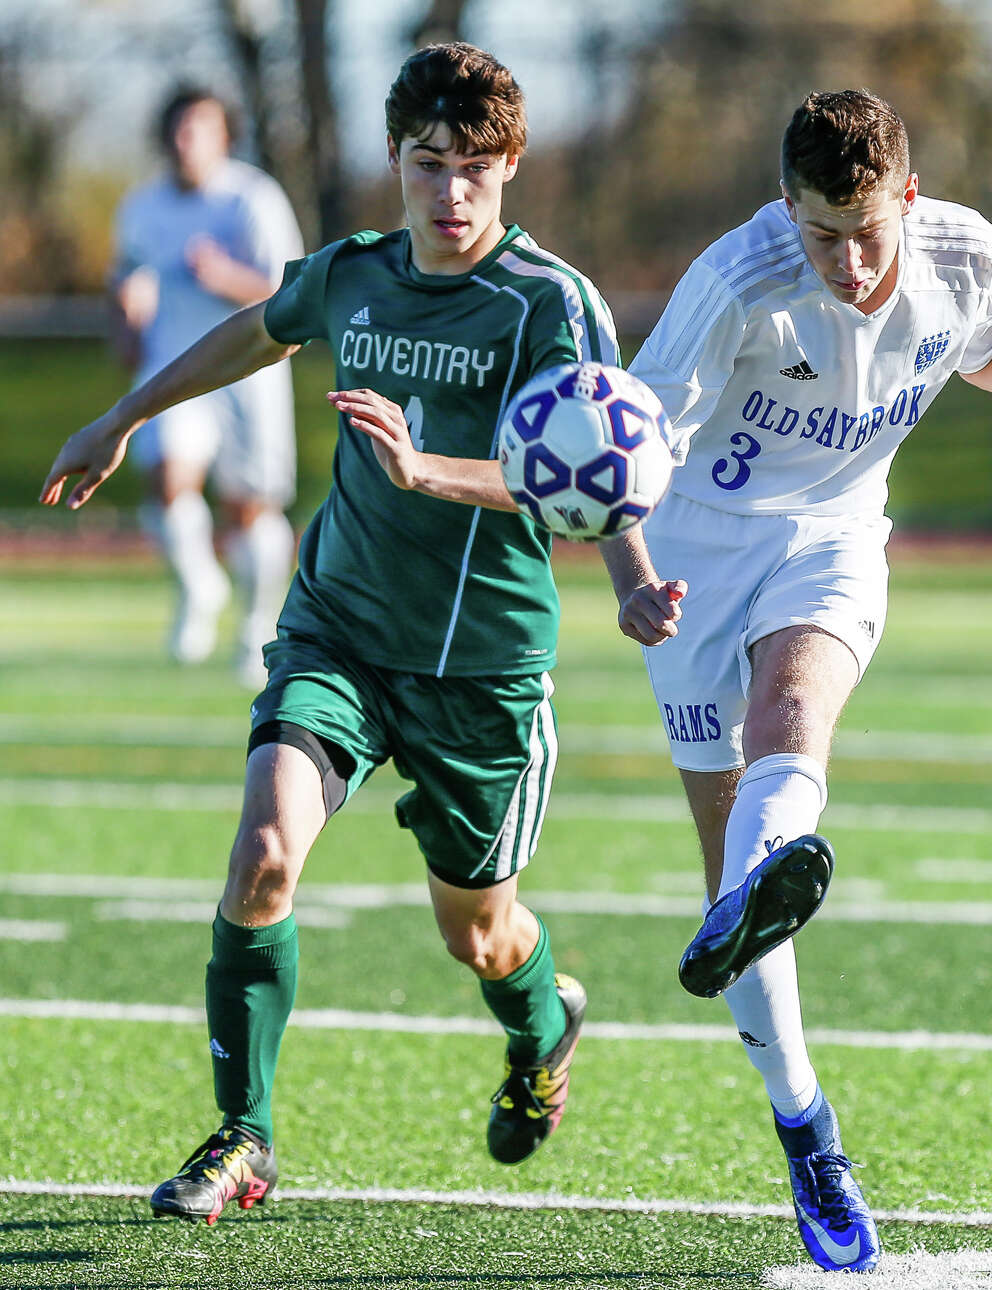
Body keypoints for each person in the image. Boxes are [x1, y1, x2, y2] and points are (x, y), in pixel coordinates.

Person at [41, 42, 618, 1224]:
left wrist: (431, 472)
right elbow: (258, 328)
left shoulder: (551, 304)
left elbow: (589, 481)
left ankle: (547, 1025)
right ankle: (243, 1137)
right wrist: (123, 414)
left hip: (483, 671)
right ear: (397, 164)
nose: (449, 192)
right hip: (339, 633)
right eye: (426, 163)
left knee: (483, 937)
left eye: (473, 167)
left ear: (510, 166)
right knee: (262, 859)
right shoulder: (353, 273)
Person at [599, 89, 992, 1274]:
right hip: (691, 556)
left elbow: (987, 352)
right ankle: (802, 1118)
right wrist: (631, 574)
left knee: (792, 714)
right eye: (817, 234)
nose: (845, 262)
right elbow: (614, 455)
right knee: (728, 881)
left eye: (865, 232)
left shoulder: (961, 248)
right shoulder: (735, 283)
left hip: (833, 535)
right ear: (785, 206)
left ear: (907, 192)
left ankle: (763, 875)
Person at [110, 86, 304, 688]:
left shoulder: (253, 199)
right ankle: (199, 586)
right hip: (176, 369)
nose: (185, 140)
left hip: (250, 371)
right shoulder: (142, 206)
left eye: (200, 128)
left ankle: (255, 630)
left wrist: (223, 276)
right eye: (177, 128)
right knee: (168, 476)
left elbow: (291, 291)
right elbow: (126, 279)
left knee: (251, 510)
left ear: (225, 136)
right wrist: (128, 321)